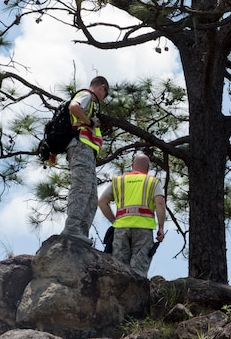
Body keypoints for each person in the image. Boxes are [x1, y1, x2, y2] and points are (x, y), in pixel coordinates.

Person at [98, 153, 166, 277]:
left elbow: (102, 201)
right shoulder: (152, 181)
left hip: (121, 228)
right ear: (148, 167)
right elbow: (160, 203)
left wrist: (114, 221)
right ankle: (136, 294)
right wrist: (161, 227)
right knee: (138, 269)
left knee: (119, 268)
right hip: (143, 229)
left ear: (132, 165)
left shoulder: (119, 181)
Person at [61, 76, 109, 243]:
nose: (103, 99)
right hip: (80, 147)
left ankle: (81, 232)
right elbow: (73, 107)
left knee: (91, 195)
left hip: (86, 150)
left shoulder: (91, 101)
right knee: (81, 188)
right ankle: (72, 228)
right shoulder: (87, 95)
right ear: (102, 88)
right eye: (105, 94)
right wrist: (89, 122)